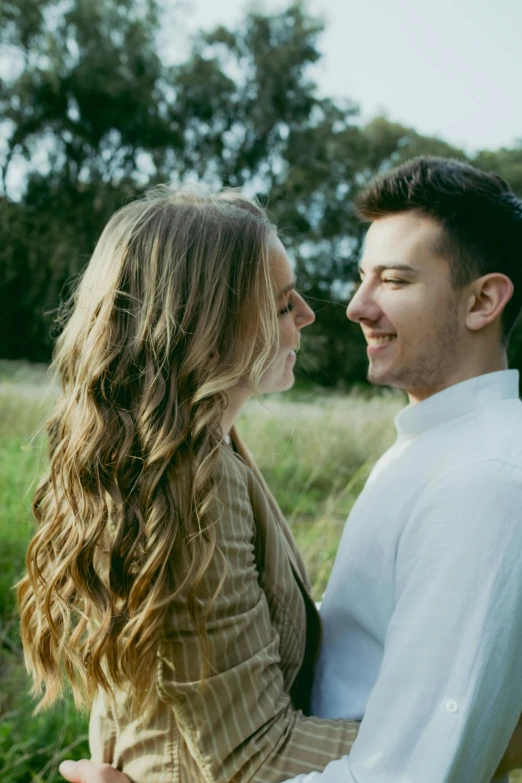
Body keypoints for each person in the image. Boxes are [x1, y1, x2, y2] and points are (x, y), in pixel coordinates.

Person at [17, 187, 361, 783]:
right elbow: (254, 758)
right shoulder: (195, 481)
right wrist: (473, 733)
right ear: (209, 325)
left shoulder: (184, 450)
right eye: (282, 305)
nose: (307, 314)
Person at [281, 157, 522, 782]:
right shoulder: (431, 444)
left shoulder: (483, 478)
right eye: (364, 278)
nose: (358, 307)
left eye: (393, 280)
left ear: (483, 301)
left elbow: (407, 773)